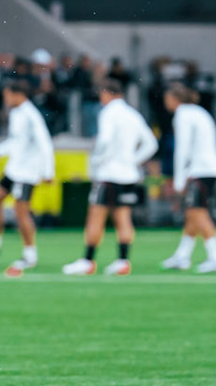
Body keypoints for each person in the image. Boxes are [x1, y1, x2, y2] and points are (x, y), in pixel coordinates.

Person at [64, 79, 156, 276]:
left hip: (108, 174)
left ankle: (88, 260)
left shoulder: (108, 113)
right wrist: (132, 161)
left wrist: (97, 161)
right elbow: (151, 144)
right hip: (128, 176)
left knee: (95, 216)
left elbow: (104, 141)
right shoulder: (133, 114)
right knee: (123, 218)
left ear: (107, 93)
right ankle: (123, 261)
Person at [0, 80, 55, 276]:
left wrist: (48, 171)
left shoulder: (32, 116)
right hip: (14, 169)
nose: (6, 100)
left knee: (21, 212)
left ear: (17, 94)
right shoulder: (16, 113)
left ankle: (30, 253)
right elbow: (16, 141)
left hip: (26, 173)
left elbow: (45, 143)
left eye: (7, 95)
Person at [161, 84, 216, 273]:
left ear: (174, 99)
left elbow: (182, 148)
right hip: (209, 168)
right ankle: (182, 256)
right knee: (192, 214)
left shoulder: (183, 115)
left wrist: (179, 180)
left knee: (198, 212)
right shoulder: (198, 112)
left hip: (201, 169)